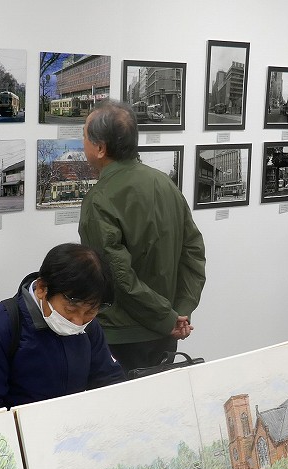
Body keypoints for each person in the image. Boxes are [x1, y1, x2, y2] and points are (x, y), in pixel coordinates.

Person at [78, 99, 205, 373]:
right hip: (167, 330)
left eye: (85, 136)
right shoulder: (165, 183)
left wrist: (168, 317)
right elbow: (193, 252)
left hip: (121, 336)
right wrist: (180, 311)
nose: (82, 143)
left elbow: (116, 276)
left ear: (100, 148)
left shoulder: (99, 199)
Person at [0, 243, 124, 417]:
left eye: (90, 311)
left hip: (73, 426)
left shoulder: (88, 326)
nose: (78, 321)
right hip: (20, 430)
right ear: (42, 289)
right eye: (70, 309)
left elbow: (109, 381)